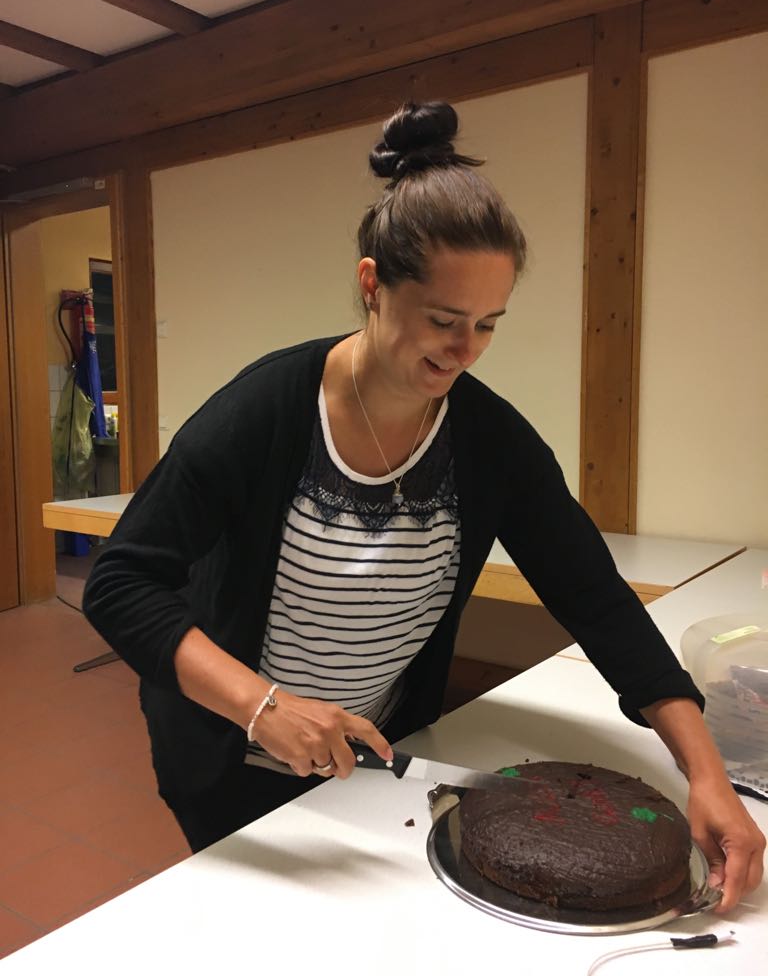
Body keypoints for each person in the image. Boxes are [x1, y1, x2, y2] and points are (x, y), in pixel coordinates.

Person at [83, 100, 764, 909]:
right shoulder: (264, 414)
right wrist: (262, 707)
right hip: (229, 753)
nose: (465, 349)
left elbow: (596, 597)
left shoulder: (489, 440)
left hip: (371, 760)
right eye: (444, 320)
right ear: (373, 284)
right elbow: (120, 583)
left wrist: (705, 773)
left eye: (488, 325)